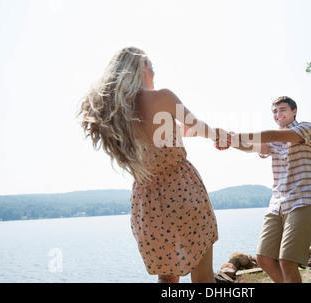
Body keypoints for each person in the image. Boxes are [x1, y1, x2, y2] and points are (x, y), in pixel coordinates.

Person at [78, 46, 227, 283]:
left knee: (167, 279)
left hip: (146, 202)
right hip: (182, 190)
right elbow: (197, 125)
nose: (154, 73)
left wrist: (193, 133)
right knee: (203, 279)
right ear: (142, 68)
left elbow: (167, 134)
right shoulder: (162, 97)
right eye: (152, 66)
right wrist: (217, 135)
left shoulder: (118, 116)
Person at [229, 96, 311, 283]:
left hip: (304, 199)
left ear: (294, 111)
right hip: (277, 203)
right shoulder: (272, 140)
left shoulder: (306, 128)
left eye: (282, 109)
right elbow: (250, 146)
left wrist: (239, 135)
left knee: (287, 261)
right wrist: (230, 140)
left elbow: (274, 135)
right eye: (275, 111)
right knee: (264, 258)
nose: (278, 114)